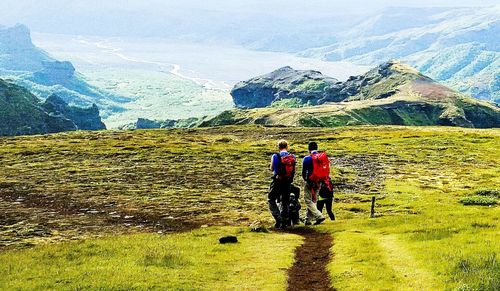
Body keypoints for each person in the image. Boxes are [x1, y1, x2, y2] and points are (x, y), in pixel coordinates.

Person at [269, 140, 296, 229]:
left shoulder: (275, 156)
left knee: (271, 199)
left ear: (278, 147)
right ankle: (285, 221)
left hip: (277, 181)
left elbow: (272, 168)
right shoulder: (292, 157)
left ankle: (278, 218)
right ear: (287, 146)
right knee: (285, 201)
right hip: (288, 181)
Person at [302, 142, 326, 225]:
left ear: (309, 149)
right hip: (319, 181)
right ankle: (307, 220)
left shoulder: (307, 158)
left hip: (310, 181)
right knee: (313, 200)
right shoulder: (322, 158)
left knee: (308, 200)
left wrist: (306, 180)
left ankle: (319, 216)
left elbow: (304, 172)